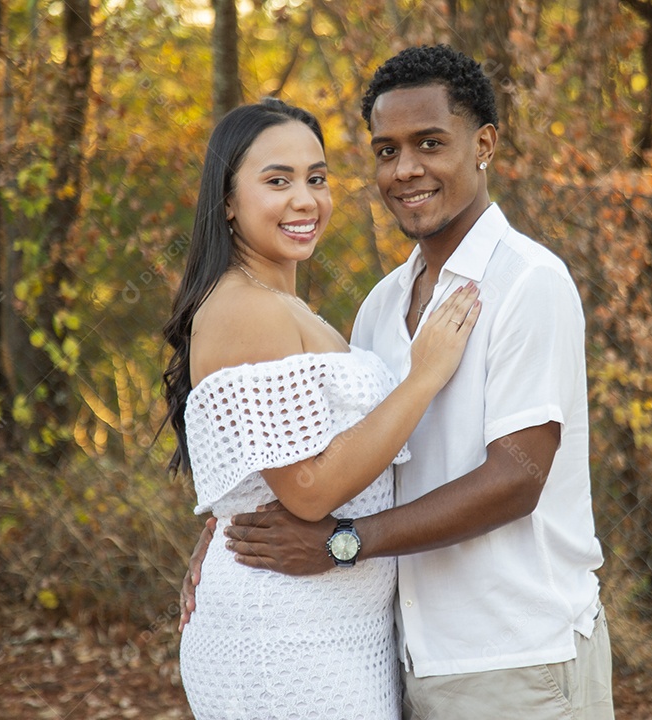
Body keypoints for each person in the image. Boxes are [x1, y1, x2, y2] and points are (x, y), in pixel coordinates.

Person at [182, 46, 615, 719]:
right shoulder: (381, 307)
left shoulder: (528, 282)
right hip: (404, 654)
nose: (406, 168)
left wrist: (344, 544)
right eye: (387, 150)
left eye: (430, 143)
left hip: (515, 657)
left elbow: (518, 477)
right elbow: (337, 456)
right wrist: (231, 527)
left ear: (484, 145)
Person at [162, 97, 481, 719]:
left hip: (326, 629)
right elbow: (307, 491)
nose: (305, 200)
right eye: (277, 181)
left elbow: (275, 473)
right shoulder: (243, 308)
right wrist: (424, 378)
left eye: (317, 178)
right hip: (285, 640)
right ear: (228, 201)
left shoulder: (286, 307)